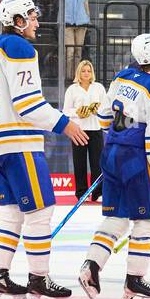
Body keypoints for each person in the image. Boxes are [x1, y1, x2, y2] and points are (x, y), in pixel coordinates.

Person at [0, 0, 89, 299]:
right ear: (18, 21)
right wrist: (65, 124)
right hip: (17, 140)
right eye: (32, 17)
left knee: (11, 211)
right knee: (40, 211)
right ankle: (39, 283)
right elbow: (27, 105)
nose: (37, 22)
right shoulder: (20, 47)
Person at [78, 34, 150, 299]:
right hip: (137, 160)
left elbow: (104, 118)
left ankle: (92, 265)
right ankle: (134, 282)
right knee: (147, 221)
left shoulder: (122, 77)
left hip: (111, 153)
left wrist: (119, 144)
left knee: (116, 218)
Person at [63, 60, 107, 203]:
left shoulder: (99, 88)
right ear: (79, 73)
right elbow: (65, 111)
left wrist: (97, 109)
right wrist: (78, 112)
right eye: (83, 71)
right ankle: (82, 193)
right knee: (79, 163)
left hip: (95, 129)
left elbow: (106, 108)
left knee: (97, 164)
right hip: (78, 131)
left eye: (88, 70)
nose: (86, 73)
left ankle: (97, 193)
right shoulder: (72, 89)